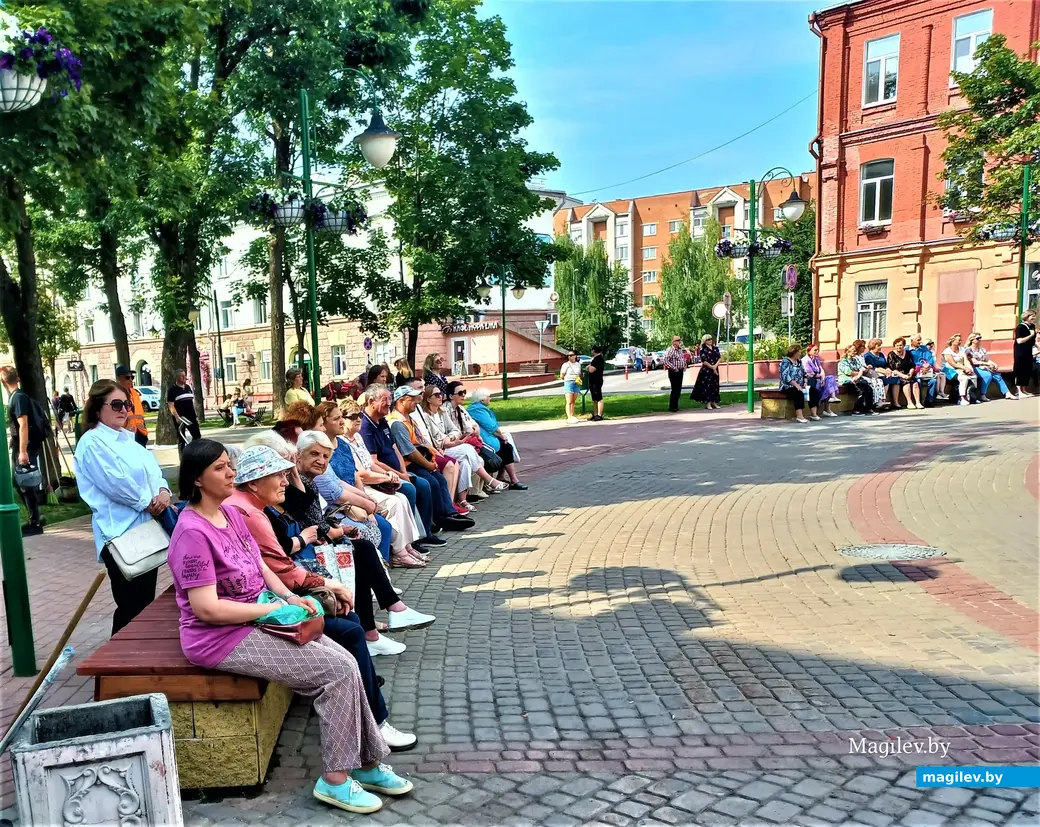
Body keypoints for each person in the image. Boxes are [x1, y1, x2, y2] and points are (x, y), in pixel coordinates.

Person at [167, 439, 413, 813]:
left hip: (260, 615)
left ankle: (367, 763)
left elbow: (261, 565)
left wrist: (289, 598)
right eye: (220, 468)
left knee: (345, 660)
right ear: (197, 479)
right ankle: (334, 780)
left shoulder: (232, 515)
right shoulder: (191, 532)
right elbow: (207, 609)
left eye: (229, 465)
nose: (231, 472)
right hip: (219, 638)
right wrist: (268, 612)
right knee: (334, 672)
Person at [226, 444, 418, 751]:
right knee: (349, 628)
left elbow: (272, 568)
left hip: (265, 603)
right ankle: (375, 721)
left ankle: (367, 696)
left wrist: (302, 591)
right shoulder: (247, 512)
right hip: (252, 616)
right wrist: (318, 587)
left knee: (350, 615)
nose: (286, 480)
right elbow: (279, 569)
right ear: (253, 482)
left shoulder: (247, 508)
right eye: (278, 474)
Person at [74, 379, 174, 633]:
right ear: (97, 408)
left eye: (127, 404)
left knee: (143, 605)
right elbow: (115, 483)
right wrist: (148, 503)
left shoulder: (129, 440)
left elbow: (154, 472)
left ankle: (135, 660)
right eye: (116, 404)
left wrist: (163, 491)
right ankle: (116, 666)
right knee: (131, 606)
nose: (124, 410)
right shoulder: (92, 442)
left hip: (144, 531)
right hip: (119, 533)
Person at [332, 398, 427, 566]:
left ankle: (407, 545)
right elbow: (360, 474)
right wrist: (386, 477)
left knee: (403, 497)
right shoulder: (343, 443)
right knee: (394, 502)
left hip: (368, 483)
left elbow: (371, 463)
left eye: (360, 415)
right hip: (362, 487)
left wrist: (389, 473)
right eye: (353, 416)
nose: (359, 419)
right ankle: (399, 552)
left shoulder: (357, 439)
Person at [359, 386, 448, 548]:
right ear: (371, 402)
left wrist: (403, 472)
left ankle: (427, 531)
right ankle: (410, 541)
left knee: (425, 484)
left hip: (398, 472)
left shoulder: (382, 420)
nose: (389, 403)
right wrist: (397, 475)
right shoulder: (365, 427)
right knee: (411, 488)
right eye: (384, 400)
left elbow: (395, 448)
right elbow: (373, 461)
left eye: (389, 398)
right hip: (380, 476)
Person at [298, 427, 392, 563]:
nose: (321, 461)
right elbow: (322, 523)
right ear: (299, 454)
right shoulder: (303, 484)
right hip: (312, 543)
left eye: (325, 457)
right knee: (365, 542)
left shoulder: (311, 481)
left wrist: (366, 500)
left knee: (378, 530)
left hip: (324, 529)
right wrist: (342, 530)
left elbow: (343, 480)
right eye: (314, 454)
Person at [388, 386, 474, 529]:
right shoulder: (396, 423)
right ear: (401, 401)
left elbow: (422, 442)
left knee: (439, 478)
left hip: (419, 459)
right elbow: (410, 453)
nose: (417, 400)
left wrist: (434, 454)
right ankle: (438, 520)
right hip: (408, 464)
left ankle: (448, 513)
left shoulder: (409, 419)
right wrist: (428, 465)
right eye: (412, 398)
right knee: (431, 482)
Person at [418, 385, 506, 500]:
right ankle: (489, 480)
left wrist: (450, 437)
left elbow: (455, 430)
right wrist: (446, 440)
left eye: (441, 394)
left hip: (450, 444)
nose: (441, 397)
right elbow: (432, 438)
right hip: (440, 449)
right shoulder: (426, 416)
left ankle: (462, 500)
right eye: (437, 395)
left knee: (466, 462)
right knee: (468, 449)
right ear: (428, 399)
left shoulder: (442, 412)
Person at [3, 366, 47, 536]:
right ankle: (35, 518)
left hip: (25, 445)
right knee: (21, 482)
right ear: (18, 378)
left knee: (23, 482)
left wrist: (22, 451)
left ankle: (35, 522)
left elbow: (23, 425)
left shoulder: (18, 398)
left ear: (3, 381)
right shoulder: (17, 397)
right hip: (23, 445)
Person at [467, 388, 527, 489]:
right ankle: (513, 480)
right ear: (481, 400)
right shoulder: (477, 409)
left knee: (506, 447)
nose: (490, 399)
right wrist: (501, 435)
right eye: (488, 397)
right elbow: (491, 426)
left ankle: (502, 477)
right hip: (485, 440)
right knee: (506, 448)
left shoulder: (478, 408)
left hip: (488, 437)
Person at [964, 333, 1015, 401]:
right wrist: (987, 364)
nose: (979, 340)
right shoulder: (968, 350)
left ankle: (1007, 393)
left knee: (997, 375)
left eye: (980, 338)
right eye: (978, 338)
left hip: (984, 366)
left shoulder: (982, 349)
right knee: (987, 375)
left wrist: (994, 364)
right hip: (974, 367)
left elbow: (987, 359)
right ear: (972, 340)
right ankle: (983, 395)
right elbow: (974, 362)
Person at [778, 344, 820, 423]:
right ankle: (799, 416)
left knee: (814, 391)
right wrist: (796, 385)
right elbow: (785, 376)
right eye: (799, 352)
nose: (800, 354)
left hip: (800, 385)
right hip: (787, 386)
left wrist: (805, 382)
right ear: (794, 352)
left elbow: (804, 373)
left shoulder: (799, 361)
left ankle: (814, 414)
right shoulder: (786, 362)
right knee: (798, 393)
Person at [801, 344, 839, 416]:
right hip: (810, 380)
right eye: (815, 350)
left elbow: (821, 370)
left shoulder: (816, 360)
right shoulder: (805, 360)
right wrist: (820, 377)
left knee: (830, 378)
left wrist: (823, 379)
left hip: (819, 379)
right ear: (809, 351)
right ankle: (825, 410)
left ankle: (833, 398)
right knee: (826, 386)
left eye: (817, 350)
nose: (817, 351)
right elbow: (810, 373)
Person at [167, 369, 200, 450]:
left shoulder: (188, 387)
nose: (185, 377)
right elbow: (171, 405)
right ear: (177, 377)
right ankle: (182, 457)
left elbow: (191, 401)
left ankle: (192, 452)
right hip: (181, 417)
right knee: (182, 439)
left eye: (185, 375)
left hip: (191, 416)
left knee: (197, 436)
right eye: (182, 376)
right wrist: (177, 417)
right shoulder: (173, 389)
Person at [116, 365, 149, 447]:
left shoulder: (134, 393)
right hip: (126, 435)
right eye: (127, 377)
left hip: (141, 433)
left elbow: (139, 413)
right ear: (119, 378)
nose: (130, 380)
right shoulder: (116, 395)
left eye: (132, 377)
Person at [837, 343, 875, 414]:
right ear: (848, 352)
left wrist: (864, 369)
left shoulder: (855, 360)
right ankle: (856, 410)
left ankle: (869, 408)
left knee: (869, 388)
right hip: (846, 380)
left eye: (855, 351)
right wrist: (860, 372)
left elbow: (862, 368)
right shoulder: (843, 362)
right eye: (853, 351)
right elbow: (849, 372)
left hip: (856, 379)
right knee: (861, 390)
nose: (855, 352)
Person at [863, 339, 902, 408]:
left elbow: (886, 365)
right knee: (885, 379)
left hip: (885, 371)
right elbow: (874, 368)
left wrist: (888, 370)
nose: (880, 347)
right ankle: (882, 401)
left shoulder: (881, 354)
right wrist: (886, 372)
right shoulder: (868, 356)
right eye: (878, 345)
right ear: (873, 346)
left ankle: (895, 402)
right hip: (875, 373)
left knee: (896, 379)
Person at [941, 334, 977, 406]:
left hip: (961, 368)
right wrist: (965, 368)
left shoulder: (962, 349)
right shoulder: (947, 351)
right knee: (963, 378)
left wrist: (970, 369)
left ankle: (971, 397)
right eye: (958, 340)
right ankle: (962, 398)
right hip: (949, 370)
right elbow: (953, 364)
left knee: (974, 376)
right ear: (953, 341)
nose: (960, 342)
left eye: (961, 340)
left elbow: (966, 360)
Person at [689, 335, 722, 410]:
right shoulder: (703, 350)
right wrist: (712, 367)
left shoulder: (715, 348)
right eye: (708, 339)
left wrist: (715, 367)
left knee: (715, 385)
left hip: (715, 369)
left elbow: (719, 358)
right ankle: (708, 402)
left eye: (711, 339)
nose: (710, 340)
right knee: (707, 386)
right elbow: (704, 361)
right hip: (707, 370)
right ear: (705, 341)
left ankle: (714, 402)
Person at [886, 337, 921, 409]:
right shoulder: (891, 354)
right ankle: (909, 402)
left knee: (915, 383)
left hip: (908, 373)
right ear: (894, 346)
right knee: (906, 383)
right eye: (897, 345)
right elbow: (892, 369)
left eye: (901, 345)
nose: (899, 347)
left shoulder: (908, 353)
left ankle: (918, 402)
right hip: (898, 374)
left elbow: (912, 366)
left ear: (904, 345)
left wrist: (910, 374)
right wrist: (903, 376)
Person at [853, 339, 887, 410]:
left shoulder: (861, 356)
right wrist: (865, 369)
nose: (864, 348)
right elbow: (856, 368)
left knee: (879, 381)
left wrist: (867, 367)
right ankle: (874, 403)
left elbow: (864, 366)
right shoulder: (856, 357)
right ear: (858, 347)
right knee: (874, 382)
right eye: (862, 346)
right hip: (860, 374)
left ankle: (880, 400)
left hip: (865, 372)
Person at [662, 336, 689, 413]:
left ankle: (676, 406)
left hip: (680, 371)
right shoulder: (671, 350)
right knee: (674, 389)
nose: (678, 342)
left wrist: (684, 366)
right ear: (673, 342)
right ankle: (672, 407)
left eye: (679, 340)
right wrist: (674, 368)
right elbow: (666, 360)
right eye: (677, 340)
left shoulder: (680, 350)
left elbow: (682, 359)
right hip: (674, 372)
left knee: (678, 389)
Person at [1013, 310, 1036, 397]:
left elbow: (1033, 341)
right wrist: (1030, 335)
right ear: (1026, 317)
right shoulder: (1020, 327)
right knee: (1020, 369)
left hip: (1028, 351)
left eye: (1034, 316)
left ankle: (1024, 390)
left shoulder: (1032, 326)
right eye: (1032, 316)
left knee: (1027, 369)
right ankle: (1019, 391)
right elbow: (1019, 341)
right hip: (1020, 352)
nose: (1034, 318)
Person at [560, 351, 583, 424]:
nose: (569, 356)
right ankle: (569, 417)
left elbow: (580, 373)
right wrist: (565, 378)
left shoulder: (578, 365)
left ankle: (572, 415)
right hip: (568, 382)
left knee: (573, 400)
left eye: (571, 355)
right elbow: (562, 375)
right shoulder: (565, 364)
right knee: (569, 401)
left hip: (576, 382)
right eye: (569, 355)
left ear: (575, 356)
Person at [587, 345, 606, 421]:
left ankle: (599, 415)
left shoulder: (598, 359)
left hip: (596, 381)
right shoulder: (595, 359)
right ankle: (595, 414)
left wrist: (589, 367)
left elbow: (591, 369)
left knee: (599, 398)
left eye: (592, 350)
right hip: (592, 381)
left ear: (594, 351)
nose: (591, 351)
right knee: (594, 398)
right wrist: (589, 367)